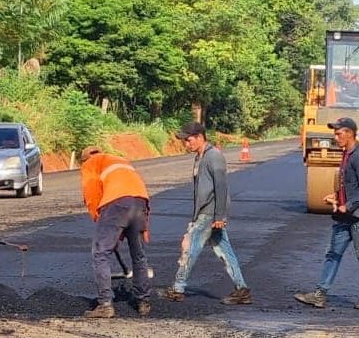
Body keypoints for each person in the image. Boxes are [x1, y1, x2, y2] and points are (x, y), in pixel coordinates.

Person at [295, 117, 359, 309]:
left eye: (338, 132)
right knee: (333, 253)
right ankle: (320, 294)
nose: (335, 136)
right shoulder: (347, 155)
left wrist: (347, 205)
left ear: (349, 133)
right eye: (335, 133)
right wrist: (336, 196)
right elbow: (351, 185)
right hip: (347, 214)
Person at [162, 122, 251, 305]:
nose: (186, 144)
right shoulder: (199, 157)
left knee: (190, 247)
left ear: (200, 137)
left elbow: (221, 187)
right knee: (224, 250)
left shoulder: (214, 157)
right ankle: (242, 289)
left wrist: (219, 216)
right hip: (206, 212)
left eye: (189, 140)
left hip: (210, 213)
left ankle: (177, 288)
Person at [79, 146, 152, 318]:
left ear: (84, 159)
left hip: (116, 203)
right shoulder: (120, 160)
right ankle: (143, 301)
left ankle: (105, 304)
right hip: (140, 202)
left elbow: (91, 194)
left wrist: (100, 220)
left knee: (100, 252)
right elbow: (137, 189)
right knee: (139, 255)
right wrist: (144, 226)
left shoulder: (90, 163)